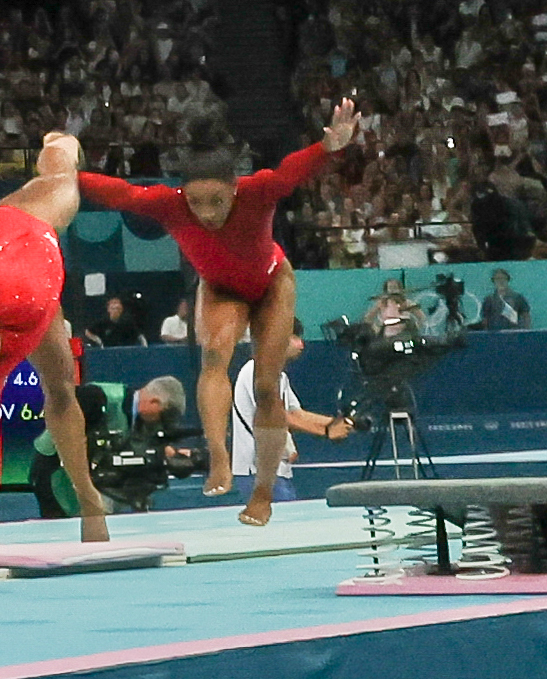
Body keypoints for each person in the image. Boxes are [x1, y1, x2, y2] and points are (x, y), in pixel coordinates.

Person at [79, 101, 358, 526]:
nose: (206, 214)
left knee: (267, 387)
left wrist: (328, 147)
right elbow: (120, 192)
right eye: (196, 203)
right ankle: (219, 457)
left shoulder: (258, 189)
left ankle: (262, 493)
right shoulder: (168, 204)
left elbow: (292, 173)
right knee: (214, 358)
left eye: (217, 201)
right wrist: (66, 176)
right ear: (182, 194)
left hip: (271, 283)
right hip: (221, 288)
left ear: (235, 187)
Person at [0, 133, 115, 545]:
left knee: (63, 176)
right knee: (61, 391)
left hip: (26, 223)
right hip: (39, 310)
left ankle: (60, 140)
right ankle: (87, 495)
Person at [228, 325, 353, 500]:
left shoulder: (280, 377)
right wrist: (326, 431)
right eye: (294, 338)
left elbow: (297, 414)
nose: (301, 344)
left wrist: (342, 423)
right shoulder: (257, 371)